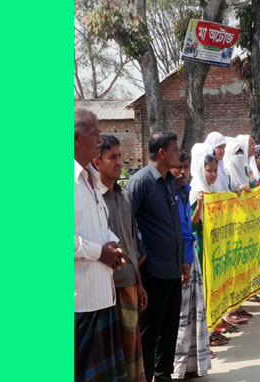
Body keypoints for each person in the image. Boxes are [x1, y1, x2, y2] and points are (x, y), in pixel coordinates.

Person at [127, 130, 189, 382]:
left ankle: (164, 376)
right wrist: (141, 255)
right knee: (150, 332)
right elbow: (126, 221)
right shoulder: (141, 182)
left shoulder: (168, 182)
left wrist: (183, 259)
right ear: (162, 152)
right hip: (152, 271)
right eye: (174, 150)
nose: (178, 155)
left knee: (170, 329)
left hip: (173, 268)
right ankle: (147, 376)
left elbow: (174, 223)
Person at [74, 109, 128, 382]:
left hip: (102, 298)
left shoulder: (90, 180)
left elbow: (101, 227)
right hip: (80, 303)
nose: (99, 138)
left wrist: (114, 246)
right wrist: (100, 253)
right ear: (75, 137)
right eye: (94, 132)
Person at [92, 134, 148, 382]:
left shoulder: (124, 196)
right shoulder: (94, 198)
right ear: (97, 162)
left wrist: (139, 283)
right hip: (107, 289)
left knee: (133, 350)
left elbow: (131, 243)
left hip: (130, 284)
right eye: (112, 157)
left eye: (120, 157)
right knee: (115, 357)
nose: (118, 163)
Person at [171, 150, 212, 379]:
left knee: (195, 313)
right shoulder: (170, 194)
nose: (183, 172)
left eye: (186, 167)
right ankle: (177, 367)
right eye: (179, 167)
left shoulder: (186, 192)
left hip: (191, 257)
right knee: (180, 317)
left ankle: (193, 365)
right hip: (177, 262)